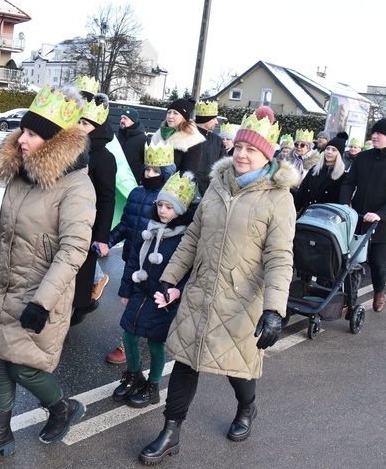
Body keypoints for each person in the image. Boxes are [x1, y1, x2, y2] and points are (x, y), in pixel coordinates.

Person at [138, 107, 298, 464]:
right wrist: (169, 277)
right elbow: (193, 237)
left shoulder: (278, 198)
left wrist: (274, 309)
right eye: (239, 146)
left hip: (241, 298)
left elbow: (279, 256)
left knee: (236, 366)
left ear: (266, 156)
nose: (241, 154)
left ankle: (247, 407)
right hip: (201, 290)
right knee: (186, 361)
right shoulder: (215, 186)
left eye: (251, 150)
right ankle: (171, 430)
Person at [0, 85, 95, 466]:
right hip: (4, 284)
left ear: (54, 142)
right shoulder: (22, 176)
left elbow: (73, 250)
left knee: (23, 364)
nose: (21, 139)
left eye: (32, 134)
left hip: (39, 292)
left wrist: (42, 303)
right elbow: (3, 232)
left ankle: (62, 408)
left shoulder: (76, 187)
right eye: (23, 131)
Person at [114, 171, 198, 408]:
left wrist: (176, 291)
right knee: (129, 335)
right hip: (140, 293)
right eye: (160, 205)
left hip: (162, 298)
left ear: (180, 211)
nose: (162, 211)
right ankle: (133, 375)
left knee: (155, 342)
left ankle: (153, 386)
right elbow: (133, 260)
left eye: (169, 207)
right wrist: (125, 290)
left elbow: (187, 270)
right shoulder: (149, 230)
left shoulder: (185, 238)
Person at [106, 142, 178, 364]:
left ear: (166, 173)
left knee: (148, 303)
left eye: (156, 170)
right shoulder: (136, 193)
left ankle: (138, 341)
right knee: (131, 300)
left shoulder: (169, 200)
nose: (150, 173)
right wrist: (108, 240)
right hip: (133, 257)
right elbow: (126, 224)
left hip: (156, 263)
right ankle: (130, 339)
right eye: (147, 169)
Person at [339, 118, 386, 313]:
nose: (374, 136)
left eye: (379, 133)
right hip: (358, 216)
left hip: (383, 221)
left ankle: (379, 291)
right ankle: (349, 298)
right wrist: (346, 204)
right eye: (373, 132)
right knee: (351, 261)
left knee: (378, 262)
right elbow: (349, 182)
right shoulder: (363, 157)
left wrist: (380, 214)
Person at [70, 78, 117, 326]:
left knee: (82, 272)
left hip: (89, 224)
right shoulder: (74, 148)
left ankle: (81, 306)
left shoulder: (104, 157)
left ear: (96, 127)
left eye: (85, 123)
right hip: (70, 218)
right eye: (78, 121)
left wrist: (101, 236)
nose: (80, 126)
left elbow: (108, 198)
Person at [293, 132, 347, 214]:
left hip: (325, 219)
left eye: (334, 150)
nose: (329, 152)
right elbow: (302, 191)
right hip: (306, 214)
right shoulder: (314, 169)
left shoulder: (343, 176)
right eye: (328, 149)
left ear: (339, 154)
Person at [150, 98, 204, 176]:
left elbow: (188, 172)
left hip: (174, 185)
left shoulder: (192, 140)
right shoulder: (158, 135)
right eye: (169, 112)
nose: (170, 116)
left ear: (184, 118)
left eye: (175, 113)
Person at [194, 101, 226, 195]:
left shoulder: (217, 140)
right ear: (205, 119)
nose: (216, 122)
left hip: (211, 192)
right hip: (190, 191)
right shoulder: (188, 137)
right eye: (213, 119)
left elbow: (224, 163)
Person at [117, 107, 149, 184]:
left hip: (134, 183)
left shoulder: (144, 140)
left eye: (125, 118)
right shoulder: (120, 137)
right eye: (121, 118)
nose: (122, 121)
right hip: (118, 181)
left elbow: (148, 164)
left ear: (133, 121)